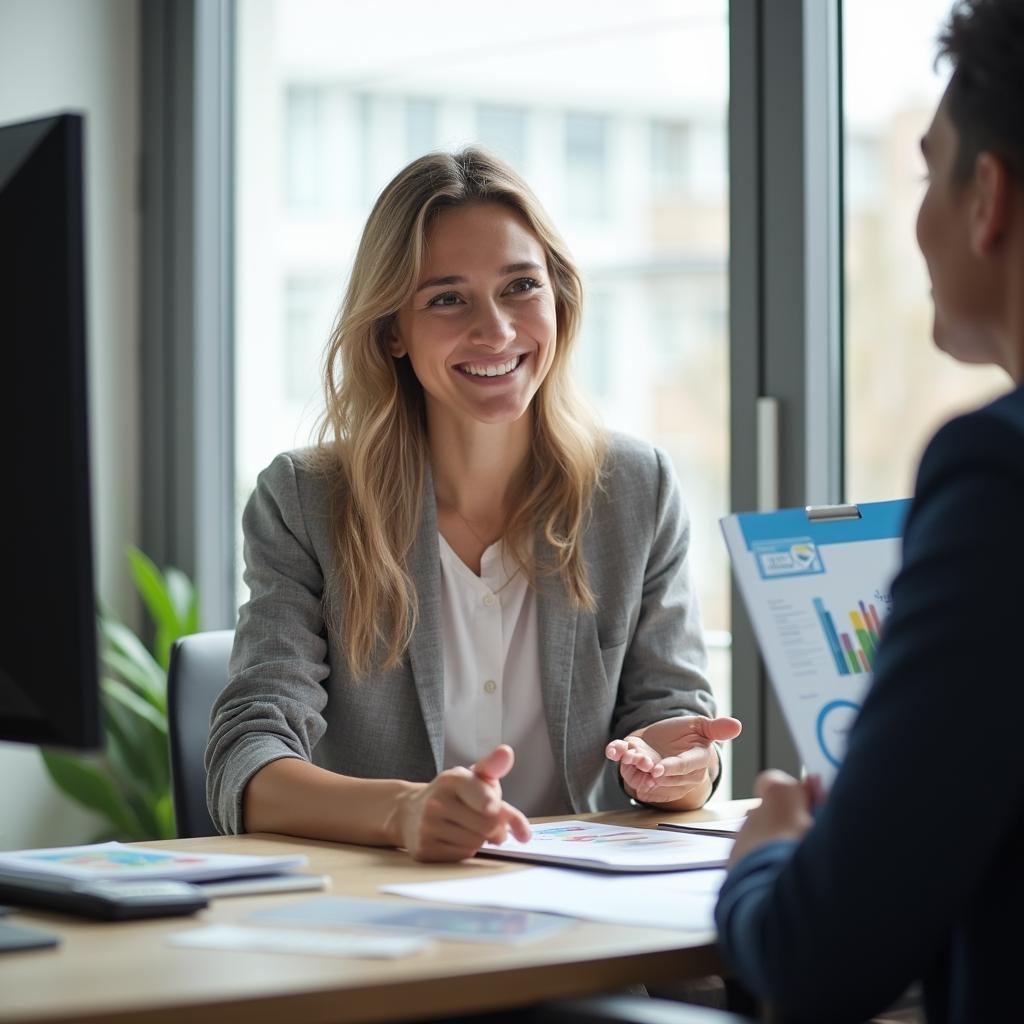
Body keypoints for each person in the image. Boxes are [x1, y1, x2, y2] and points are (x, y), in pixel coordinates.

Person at [206, 147, 741, 862]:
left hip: (584, 924)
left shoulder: (636, 491)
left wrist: (678, 768)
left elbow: (674, 720)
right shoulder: (306, 500)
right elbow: (246, 757)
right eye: (448, 298)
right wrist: (404, 812)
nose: (496, 330)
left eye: (520, 286)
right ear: (392, 328)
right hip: (386, 925)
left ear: (559, 297)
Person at [715, 0, 1024, 1020]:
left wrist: (762, 861)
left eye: (926, 173)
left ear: (988, 198)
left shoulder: (996, 475)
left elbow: (820, 954)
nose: (919, 217)